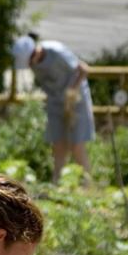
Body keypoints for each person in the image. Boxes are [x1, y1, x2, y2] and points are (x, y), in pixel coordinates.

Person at [12, 34, 95, 184]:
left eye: (29, 61)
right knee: (57, 142)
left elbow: (83, 69)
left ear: (35, 53)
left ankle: (86, 183)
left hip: (76, 101)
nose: (30, 66)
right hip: (55, 102)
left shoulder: (56, 51)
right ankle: (56, 182)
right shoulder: (34, 63)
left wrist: (71, 92)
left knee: (76, 144)